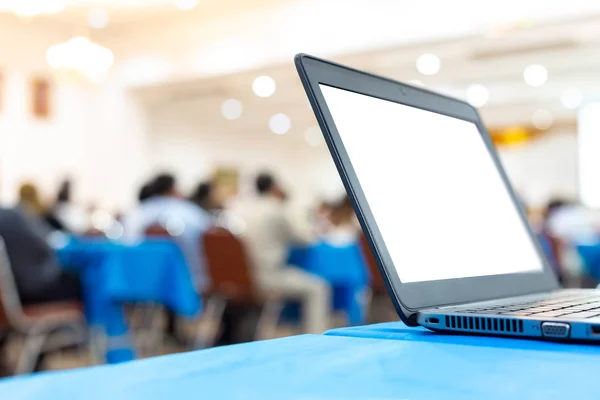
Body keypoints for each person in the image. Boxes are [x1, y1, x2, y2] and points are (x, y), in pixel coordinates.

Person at [239, 173, 331, 334]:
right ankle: (316, 338)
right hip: (268, 277)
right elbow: (303, 240)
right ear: (274, 187)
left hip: (243, 276)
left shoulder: (246, 209)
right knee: (319, 287)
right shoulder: (276, 210)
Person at [123, 174, 211, 287]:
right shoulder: (190, 213)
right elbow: (209, 236)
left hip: (140, 280)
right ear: (172, 188)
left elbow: (127, 243)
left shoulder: (138, 213)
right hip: (190, 280)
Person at [0, 207, 81, 305]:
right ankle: (97, 319)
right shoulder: (12, 216)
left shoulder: (8, 216)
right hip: (35, 289)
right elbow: (46, 243)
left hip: (17, 293)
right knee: (83, 279)